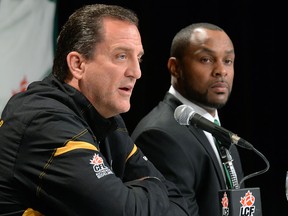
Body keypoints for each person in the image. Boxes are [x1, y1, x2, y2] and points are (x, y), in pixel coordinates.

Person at [0, 4, 189, 216]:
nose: (136, 72)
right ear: (77, 64)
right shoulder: (42, 121)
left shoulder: (105, 117)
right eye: (121, 56)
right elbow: (121, 212)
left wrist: (139, 193)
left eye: (139, 58)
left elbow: (181, 204)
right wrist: (155, 186)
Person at [131, 22, 245, 216]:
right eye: (206, 59)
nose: (221, 71)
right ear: (175, 67)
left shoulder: (220, 133)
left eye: (228, 61)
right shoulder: (160, 135)